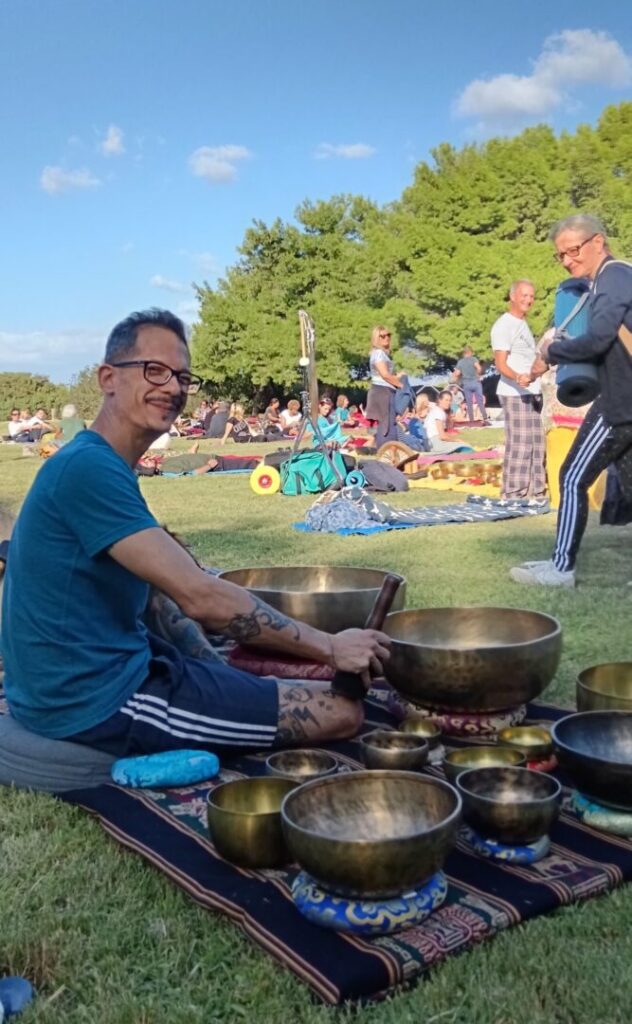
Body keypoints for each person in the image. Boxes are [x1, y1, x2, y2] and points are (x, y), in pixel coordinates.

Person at [1, 309, 389, 757]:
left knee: (254, 685)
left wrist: (220, 677)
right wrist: (330, 648)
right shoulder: (86, 468)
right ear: (108, 378)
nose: (172, 387)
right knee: (343, 714)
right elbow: (200, 597)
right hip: (90, 702)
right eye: (154, 370)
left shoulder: (101, 462)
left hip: (107, 671)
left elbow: (157, 596)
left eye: (183, 377)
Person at [510, 214, 632, 587]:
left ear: (598, 241)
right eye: (560, 255)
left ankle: (561, 568)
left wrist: (553, 351)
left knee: (572, 475)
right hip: (624, 398)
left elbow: (598, 338)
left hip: (620, 403)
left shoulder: (614, 276)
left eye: (573, 250)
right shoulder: (606, 281)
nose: (567, 260)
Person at [491, 280, 546, 505]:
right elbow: (500, 364)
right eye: (524, 295)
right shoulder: (504, 325)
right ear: (513, 296)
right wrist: (518, 378)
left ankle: (536, 491)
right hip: (514, 392)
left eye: (531, 296)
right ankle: (514, 494)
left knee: (536, 443)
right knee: (521, 444)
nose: (528, 300)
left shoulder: (522, 324)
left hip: (530, 391)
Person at [364, 326, 403, 449]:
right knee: (386, 425)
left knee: (388, 424)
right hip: (382, 391)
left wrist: (398, 376)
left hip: (383, 390)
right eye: (382, 336)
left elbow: (386, 375)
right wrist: (400, 384)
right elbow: (385, 375)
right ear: (376, 338)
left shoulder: (382, 354)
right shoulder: (379, 353)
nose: (386, 338)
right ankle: (385, 452)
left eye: (388, 335)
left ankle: (388, 450)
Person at [453, 345, 487, 423]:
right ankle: (485, 417)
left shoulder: (460, 362)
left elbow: (457, 374)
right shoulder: (473, 359)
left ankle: (471, 420)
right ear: (470, 352)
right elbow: (479, 368)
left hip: (466, 384)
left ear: (463, 353)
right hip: (475, 382)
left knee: (469, 402)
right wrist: (478, 375)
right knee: (480, 401)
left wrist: (457, 380)